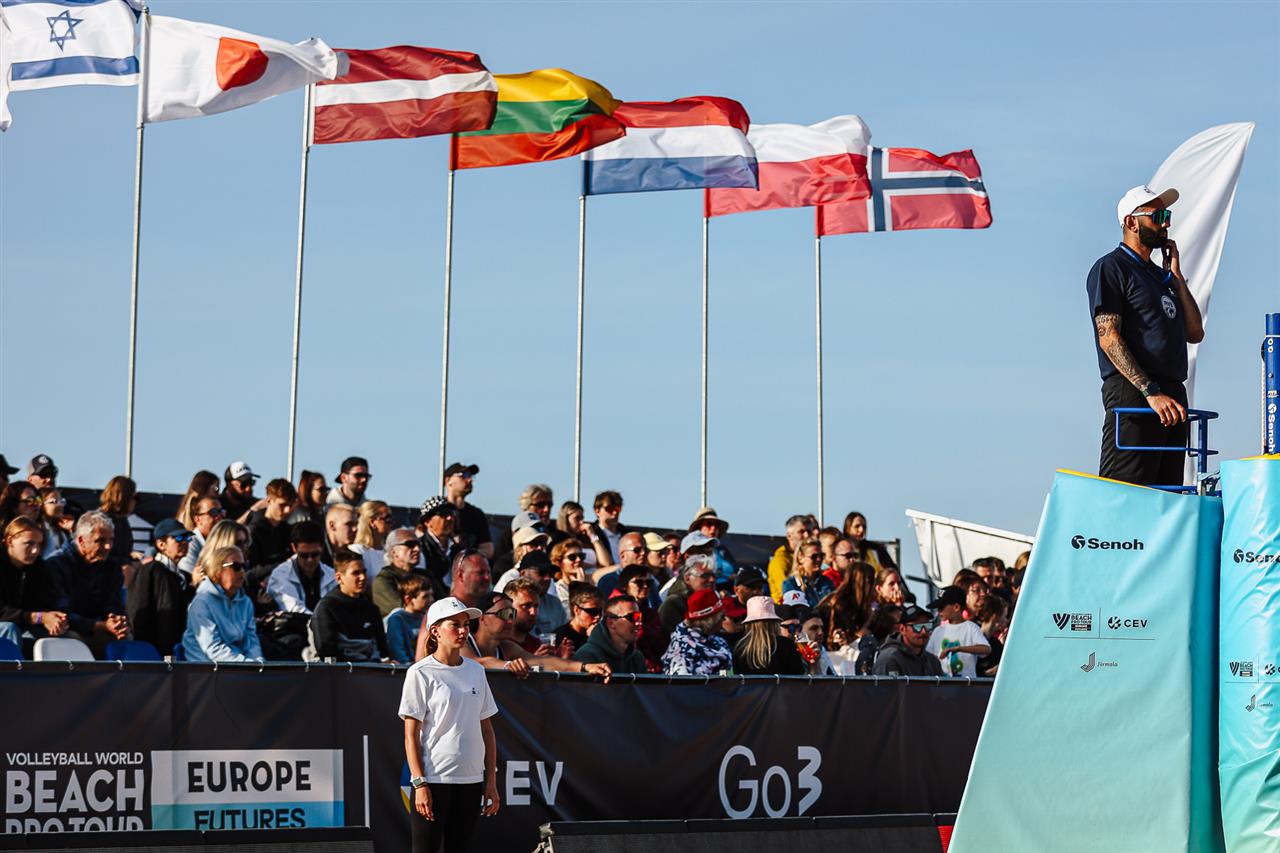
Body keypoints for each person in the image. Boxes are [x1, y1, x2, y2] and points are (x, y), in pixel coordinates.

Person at [1089, 186, 1204, 486]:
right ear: (1131, 222)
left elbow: (1195, 332)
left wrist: (1176, 279)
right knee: (1127, 492)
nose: (1166, 223)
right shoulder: (1112, 267)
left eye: (1168, 215)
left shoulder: (1161, 277)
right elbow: (1108, 337)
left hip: (1173, 396)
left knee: (1167, 495)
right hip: (1135, 393)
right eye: (1158, 216)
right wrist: (1150, 392)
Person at [399, 596, 500, 853]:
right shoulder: (419, 672)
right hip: (433, 779)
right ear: (435, 631)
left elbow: (487, 729)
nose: (463, 631)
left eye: (465, 624)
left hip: (472, 781)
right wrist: (420, 783)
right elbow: (410, 735)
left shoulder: (477, 671)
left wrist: (490, 781)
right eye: (455, 624)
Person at [462, 591, 611, 679]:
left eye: (512, 614)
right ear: (482, 618)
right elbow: (477, 663)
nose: (510, 621)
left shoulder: (507, 647)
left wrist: (585, 667)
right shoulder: (463, 642)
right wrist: (507, 665)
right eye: (504, 614)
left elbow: (543, 663)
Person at [44, 510, 128, 657]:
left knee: (125, 639)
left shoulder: (111, 566)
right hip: (67, 630)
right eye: (100, 541)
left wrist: (116, 621)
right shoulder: (56, 565)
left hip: (98, 628)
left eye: (111, 540)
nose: (108, 546)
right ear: (81, 540)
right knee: (73, 641)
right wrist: (100, 626)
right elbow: (61, 613)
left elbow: (114, 603)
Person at [181, 544, 263, 662]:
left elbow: (251, 642)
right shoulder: (202, 602)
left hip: (237, 667)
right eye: (236, 567)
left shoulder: (245, 602)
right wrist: (246, 665)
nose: (242, 571)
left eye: (244, 566)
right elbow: (212, 649)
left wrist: (258, 663)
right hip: (206, 667)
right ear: (217, 570)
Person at [126, 518, 195, 654]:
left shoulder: (185, 577)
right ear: (161, 544)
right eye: (178, 538)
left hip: (179, 649)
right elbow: (137, 611)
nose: (184, 542)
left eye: (187, 538)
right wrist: (147, 652)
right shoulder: (150, 570)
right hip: (153, 652)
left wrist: (193, 587)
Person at [309, 549, 390, 662]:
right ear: (339, 578)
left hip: (372, 669)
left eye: (364, 572)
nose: (363, 577)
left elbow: (383, 650)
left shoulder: (371, 608)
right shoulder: (326, 608)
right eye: (356, 573)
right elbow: (327, 653)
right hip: (340, 671)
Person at [1, 517, 66, 647]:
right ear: (10, 541)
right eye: (29, 543)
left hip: (23, 624)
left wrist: (55, 619)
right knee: (9, 629)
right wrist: (39, 617)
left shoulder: (38, 567)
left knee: (66, 637)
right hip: (9, 626)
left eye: (39, 544)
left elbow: (42, 604)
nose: (35, 550)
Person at [266, 521, 336, 615]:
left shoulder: (332, 575)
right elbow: (293, 608)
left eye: (315, 554)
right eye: (304, 555)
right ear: (294, 548)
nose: (310, 560)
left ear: (323, 547)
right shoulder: (280, 576)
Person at [662, 589, 732, 676]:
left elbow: (729, 674)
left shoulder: (718, 641)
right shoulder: (682, 648)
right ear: (710, 621)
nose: (724, 619)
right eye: (722, 616)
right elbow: (680, 682)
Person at [573, 594, 647, 674]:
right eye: (631, 617)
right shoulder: (587, 656)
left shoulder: (637, 658)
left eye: (638, 617)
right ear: (611, 623)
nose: (638, 623)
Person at [926, 585, 991, 678]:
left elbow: (986, 649)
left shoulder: (971, 628)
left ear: (956, 607)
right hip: (942, 683)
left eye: (941, 607)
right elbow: (928, 656)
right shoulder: (938, 631)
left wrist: (958, 649)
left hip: (967, 684)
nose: (938, 611)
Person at [732, 596, 806, 676]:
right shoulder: (785, 644)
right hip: (782, 685)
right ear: (775, 622)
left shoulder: (739, 647)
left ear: (748, 624)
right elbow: (799, 677)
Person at [872, 604, 943, 677]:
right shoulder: (889, 659)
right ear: (902, 629)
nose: (923, 632)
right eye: (917, 627)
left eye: (927, 626)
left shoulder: (932, 661)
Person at [372, 528, 431, 616]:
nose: (417, 549)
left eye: (419, 545)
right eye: (410, 544)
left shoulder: (425, 575)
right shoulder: (383, 580)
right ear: (393, 552)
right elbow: (402, 611)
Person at [245, 479, 299, 571]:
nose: (287, 510)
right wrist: (283, 565)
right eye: (282, 505)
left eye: (290, 505)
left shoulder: (288, 530)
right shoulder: (252, 531)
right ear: (269, 500)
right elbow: (250, 571)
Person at [442, 463, 492, 558]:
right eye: (464, 475)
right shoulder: (437, 512)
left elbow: (488, 549)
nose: (469, 480)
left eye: (470, 476)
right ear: (448, 481)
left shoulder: (476, 515)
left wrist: (468, 557)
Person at [659, 555, 717, 634]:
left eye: (713, 575)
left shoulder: (711, 599)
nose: (712, 580)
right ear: (687, 578)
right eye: (705, 576)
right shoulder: (673, 604)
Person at [384, 574, 433, 664]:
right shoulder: (397, 619)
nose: (431, 599)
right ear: (408, 599)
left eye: (431, 595)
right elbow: (398, 651)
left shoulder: (428, 618)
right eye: (425, 596)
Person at [553, 501, 612, 570]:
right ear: (566, 519)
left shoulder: (586, 539)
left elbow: (606, 563)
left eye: (582, 518)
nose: (581, 522)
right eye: (577, 518)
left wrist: (592, 535)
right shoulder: (558, 539)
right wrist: (595, 566)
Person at [767, 515, 813, 603]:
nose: (806, 535)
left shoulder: (814, 558)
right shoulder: (780, 561)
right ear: (789, 536)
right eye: (801, 532)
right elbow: (786, 593)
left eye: (809, 531)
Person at [98, 476, 140, 567]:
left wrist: (132, 557)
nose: (135, 502)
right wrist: (128, 563)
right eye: (134, 497)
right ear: (123, 498)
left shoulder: (122, 520)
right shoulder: (99, 521)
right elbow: (98, 555)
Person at [178, 496, 224, 578]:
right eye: (213, 512)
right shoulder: (190, 543)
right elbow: (191, 577)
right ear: (197, 519)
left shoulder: (223, 542)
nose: (219, 516)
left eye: (221, 512)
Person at [781, 539, 835, 609]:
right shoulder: (791, 583)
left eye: (821, 555)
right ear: (800, 558)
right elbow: (796, 610)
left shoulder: (826, 581)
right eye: (814, 556)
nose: (819, 559)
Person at [552, 582, 602, 655]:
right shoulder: (561, 637)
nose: (598, 616)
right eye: (592, 611)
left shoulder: (602, 632)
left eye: (600, 611)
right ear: (577, 610)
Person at [503, 577, 547, 655]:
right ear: (508, 606)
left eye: (536, 606)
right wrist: (535, 660)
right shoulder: (498, 646)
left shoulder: (538, 645)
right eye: (526, 606)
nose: (533, 612)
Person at [351, 500, 394, 579]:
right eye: (387, 518)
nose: (392, 522)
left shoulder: (390, 551)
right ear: (372, 522)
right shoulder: (357, 550)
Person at [587, 490, 628, 565]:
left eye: (617, 508)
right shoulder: (589, 533)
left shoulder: (627, 533)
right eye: (609, 509)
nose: (615, 513)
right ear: (597, 511)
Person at [550, 539, 589, 611]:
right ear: (559, 562)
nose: (578, 559)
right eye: (572, 557)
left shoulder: (591, 585)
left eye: (581, 556)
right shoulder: (556, 590)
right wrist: (578, 587)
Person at [38, 487, 71, 558]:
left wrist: (71, 530)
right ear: (41, 505)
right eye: (53, 501)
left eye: (61, 501)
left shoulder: (61, 530)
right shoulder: (37, 529)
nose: (60, 505)